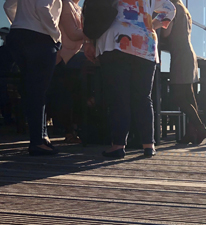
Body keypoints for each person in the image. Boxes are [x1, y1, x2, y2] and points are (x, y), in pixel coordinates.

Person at [84, 0, 175, 158]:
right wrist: (152, 24)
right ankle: (148, 145)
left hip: (116, 41)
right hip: (145, 43)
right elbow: (171, 9)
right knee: (143, 97)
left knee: (119, 97)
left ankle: (118, 145)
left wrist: (89, 41)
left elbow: (94, 11)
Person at [4, 0, 62, 155]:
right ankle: (38, 141)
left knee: (29, 89)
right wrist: (56, 35)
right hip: (40, 38)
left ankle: (41, 137)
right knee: (38, 91)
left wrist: (20, 22)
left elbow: (8, 6)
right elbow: (42, 8)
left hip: (17, 36)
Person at [161, 0, 206, 145]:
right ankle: (191, 133)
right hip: (189, 54)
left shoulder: (172, 8)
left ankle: (200, 128)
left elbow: (165, 32)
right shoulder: (184, 9)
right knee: (189, 97)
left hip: (181, 56)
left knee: (177, 97)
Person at [49, 0, 84, 143]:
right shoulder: (64, 4)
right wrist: (96, 31)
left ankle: (78, 130)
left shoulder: (78, 8)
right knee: (70, 96)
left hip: (77, 57)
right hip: (67, 58)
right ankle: (70, 131)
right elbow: (73, 34)